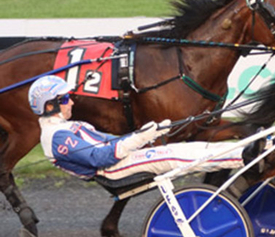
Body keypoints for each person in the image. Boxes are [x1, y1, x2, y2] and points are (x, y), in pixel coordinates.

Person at [28, 75, 249, 183]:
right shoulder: (56, 137)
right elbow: (99, 157)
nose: (72, 102)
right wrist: (141, 137)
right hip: (113, 170)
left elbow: (111, 142)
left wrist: (147, 133)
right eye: (65, 98)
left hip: (121, 160)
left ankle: (247, 149)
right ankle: (246, 156)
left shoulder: (65, 127)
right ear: (49, 106)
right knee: (178, 157)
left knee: (192, 148)